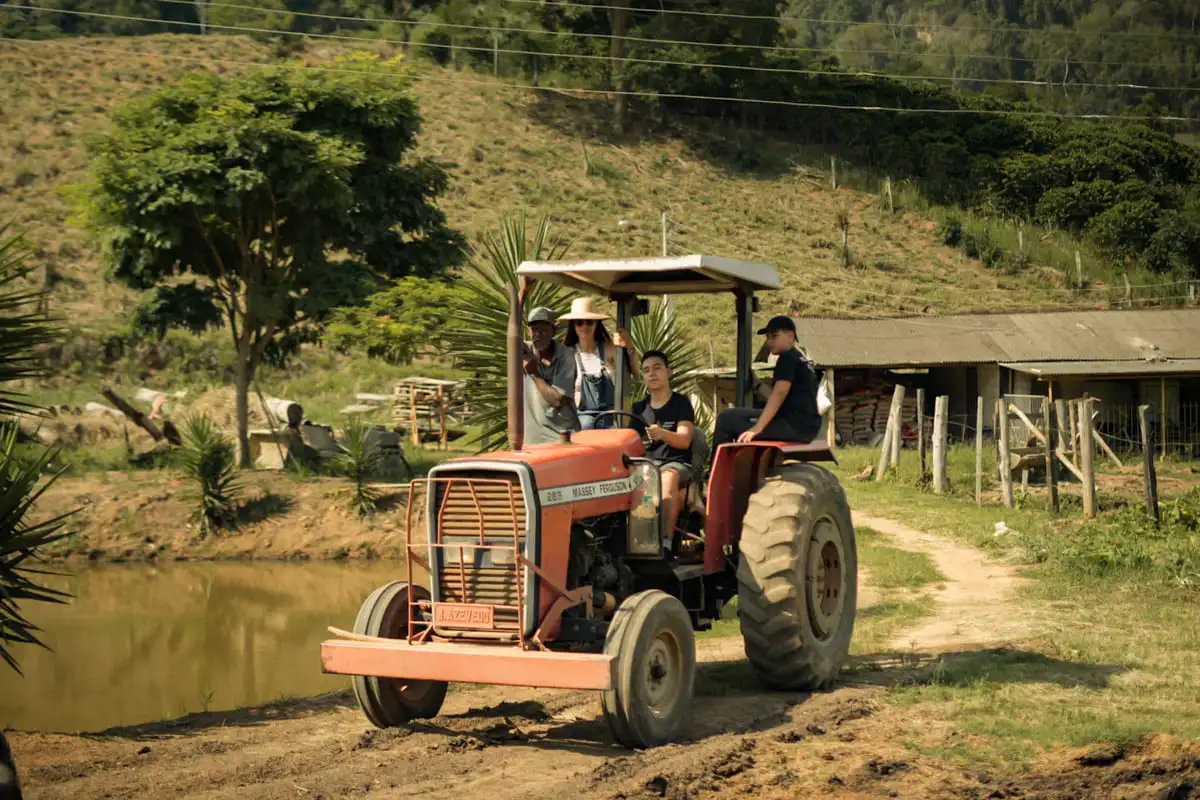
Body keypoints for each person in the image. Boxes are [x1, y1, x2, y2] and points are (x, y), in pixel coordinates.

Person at [711, 315, 821, 451]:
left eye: (774, 336)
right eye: (767, 338)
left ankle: (715, 471)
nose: (769, 342)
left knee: (726, 420)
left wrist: (757, 428)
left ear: (790, 336)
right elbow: (779, 397)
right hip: (805, 426)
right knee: (733, 416)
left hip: (792, 425)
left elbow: (779, 394)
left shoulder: (787, 358)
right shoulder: (802, 360)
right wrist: (757, 385)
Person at [627, 350, 696, 551]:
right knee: (636, 476)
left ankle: (665, 544)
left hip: (676, 463)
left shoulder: (681, 404)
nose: (652, 374)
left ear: (669, 372)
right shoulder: (639, 408)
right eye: (646, 370)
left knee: (667, 478)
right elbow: (632, 441)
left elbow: (684, 440)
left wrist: (662, 434)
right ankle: (636, 542)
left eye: (657, 368)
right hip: (648, 464)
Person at [559, 296, 632, 430]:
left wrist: (629, 347)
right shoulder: (568, 354)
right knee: (584, 426)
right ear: (573, 326)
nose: (584, 326)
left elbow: (633, 375)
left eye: (589, 322)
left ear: (596, 324)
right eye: (579, 323)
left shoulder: (609, 350)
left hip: (610, 414)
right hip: (582, 415)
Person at [522, 306, 579, 445]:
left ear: (553, 331)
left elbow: (557, 400)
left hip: (561, 436)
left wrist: (534, 374)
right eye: (534, 329)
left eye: (543, 329)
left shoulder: (565, 356)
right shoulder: (524, 351)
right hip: (532, 439)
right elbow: (512, 333)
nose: (538, 334)